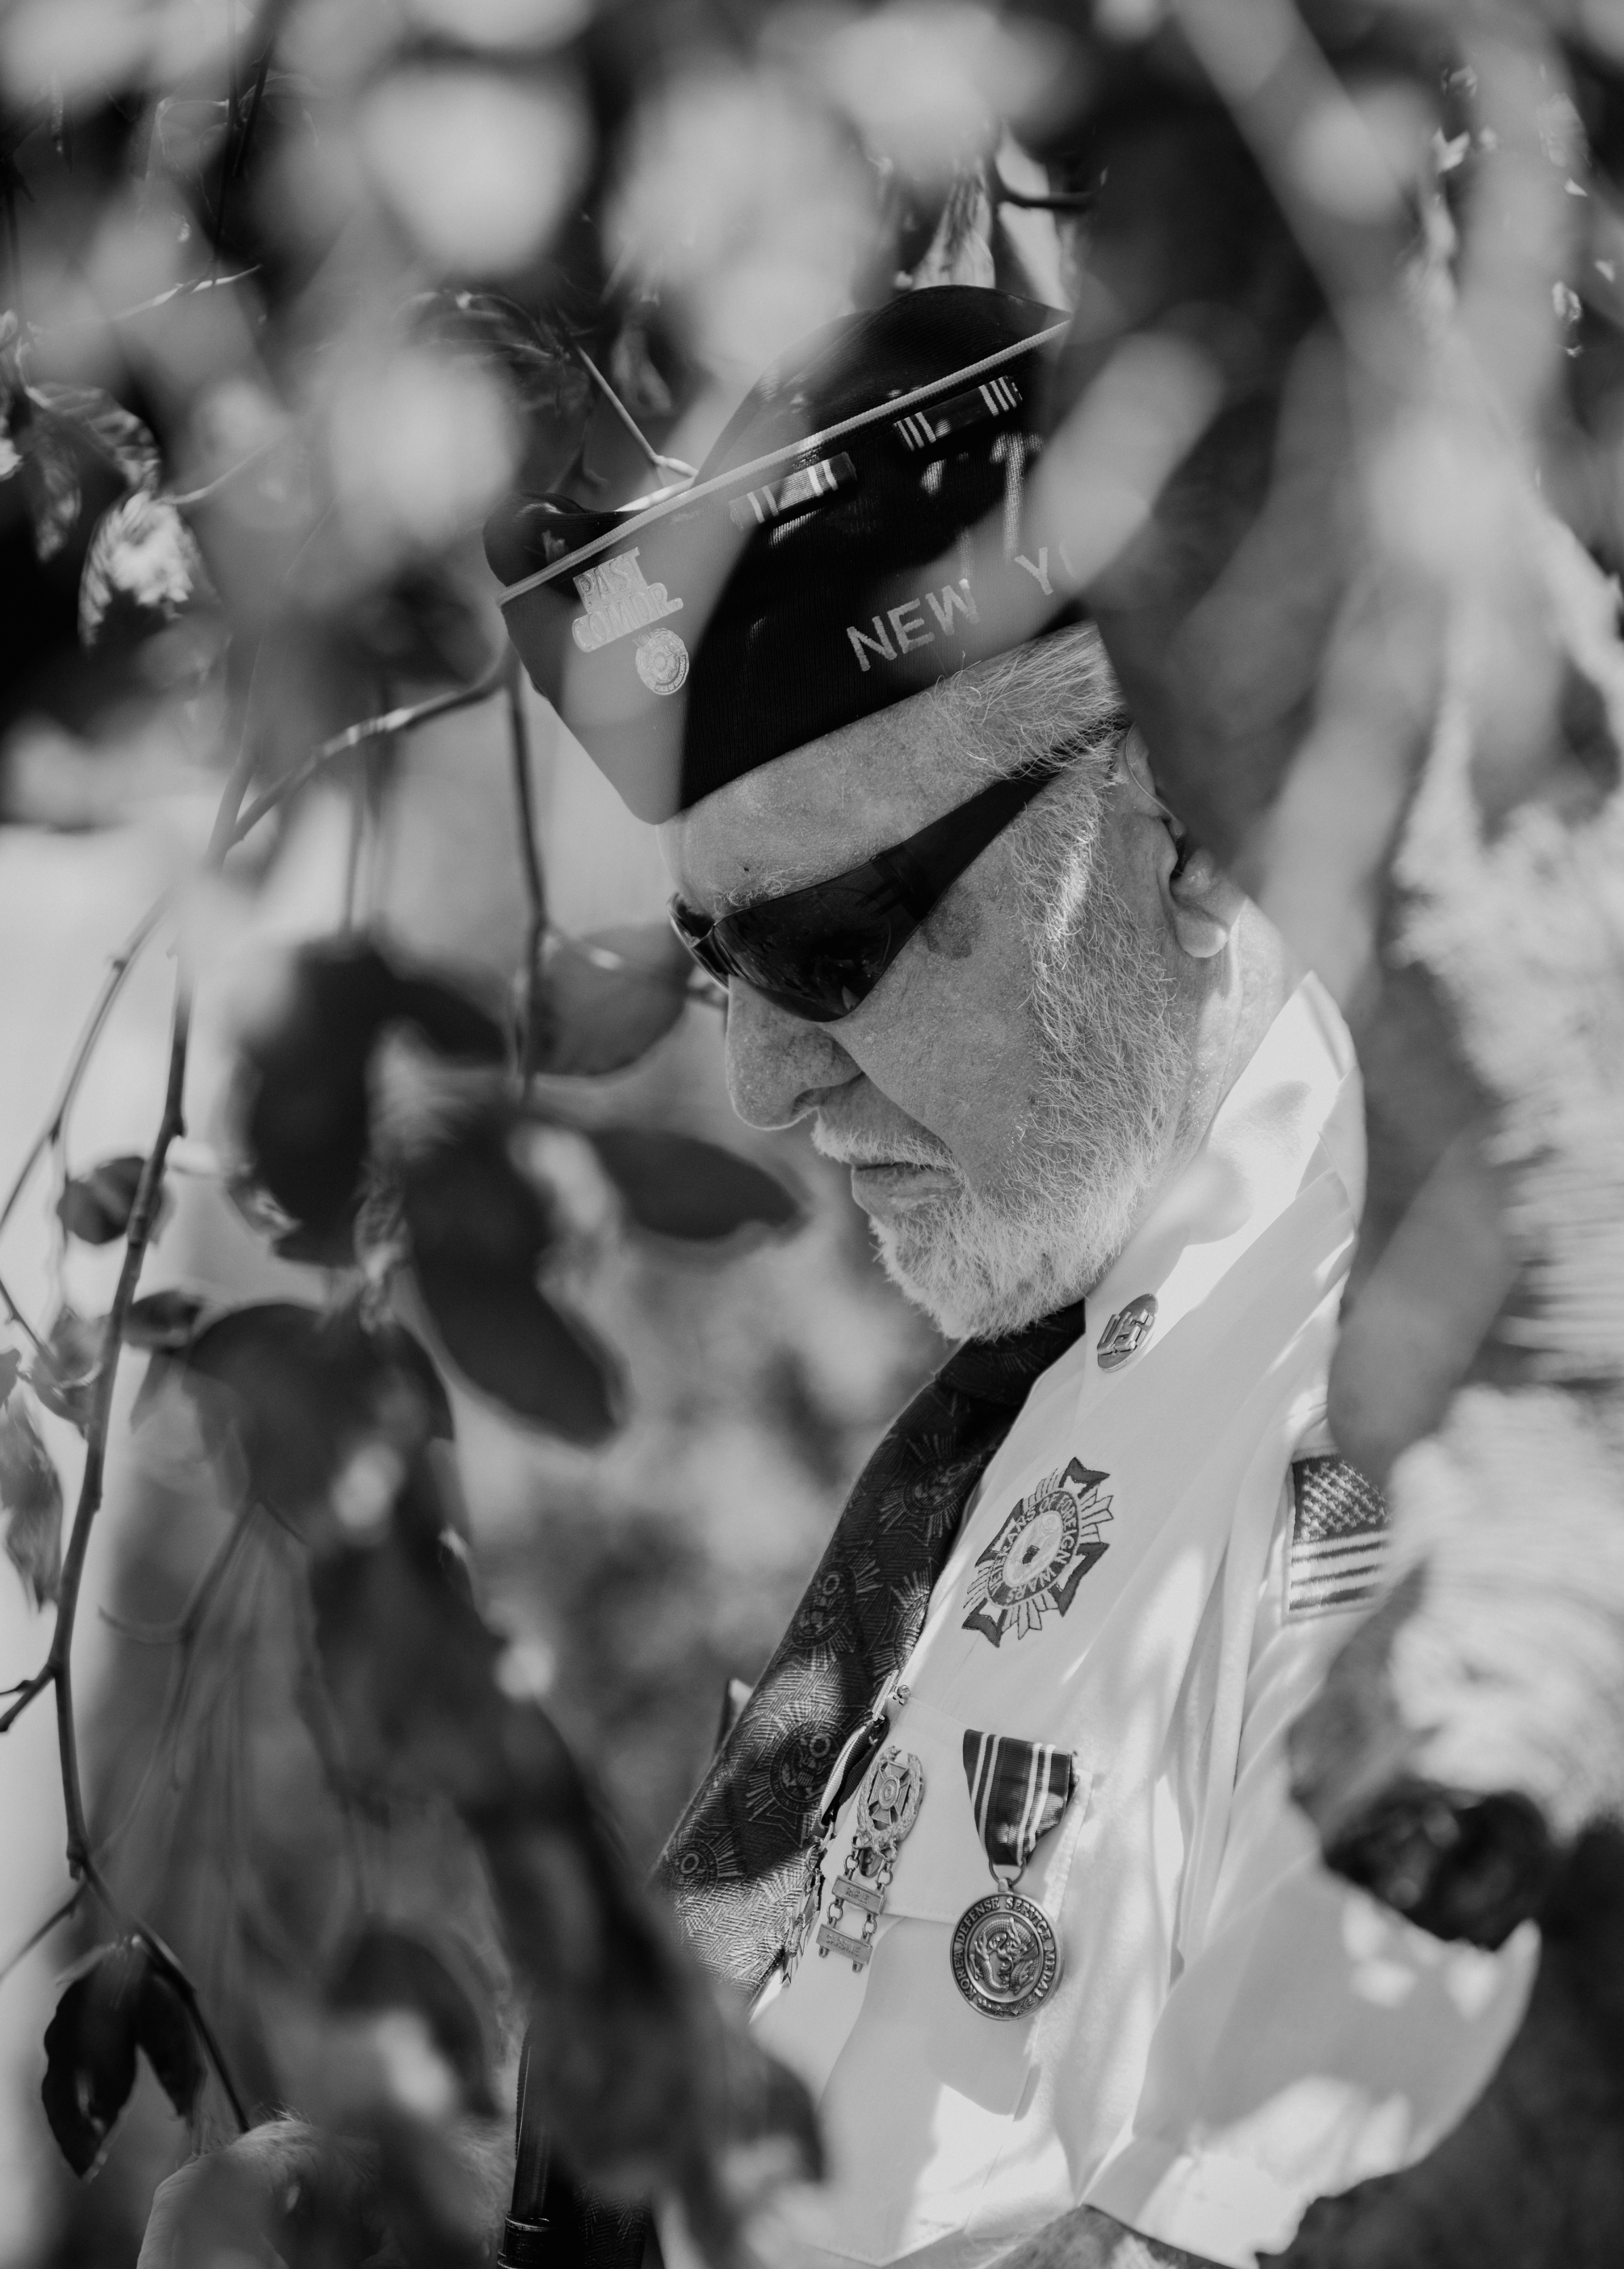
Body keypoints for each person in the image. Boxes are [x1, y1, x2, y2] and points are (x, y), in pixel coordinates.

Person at [487, 286, 1534, 2269]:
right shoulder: (1033, 1392)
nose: (766, 1081)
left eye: (827, 948)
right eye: (720, 964)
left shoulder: (1437, 1406)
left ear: (1198, 821)